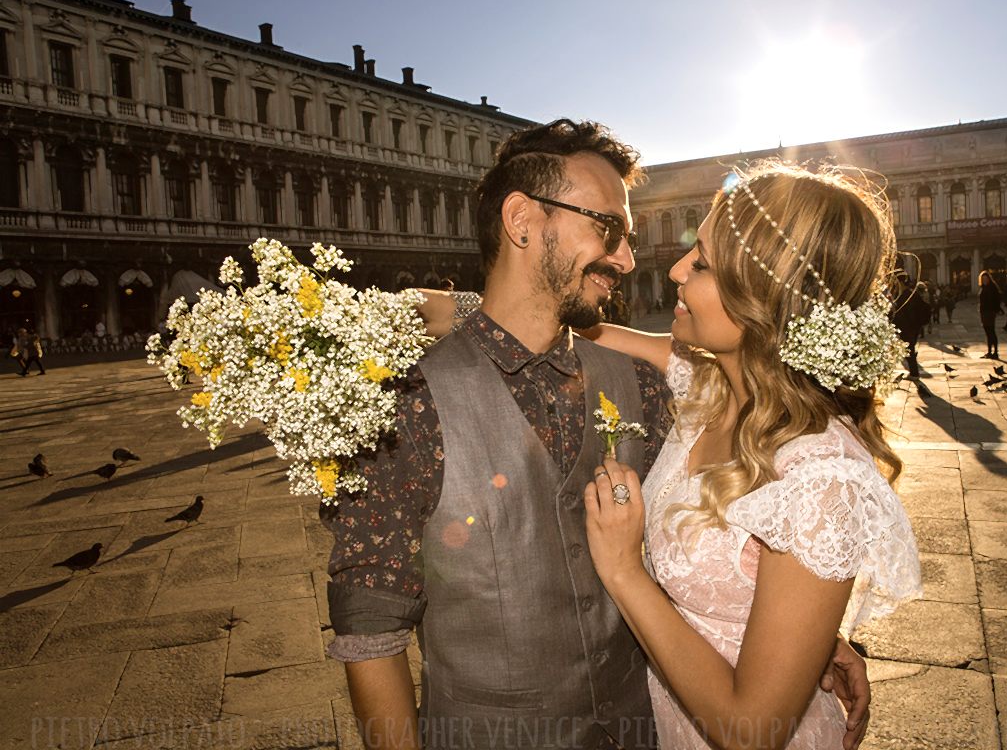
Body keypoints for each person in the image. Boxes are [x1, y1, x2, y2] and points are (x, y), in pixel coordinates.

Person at [321, 121, 870, 750]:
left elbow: (723, 535)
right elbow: (371, 632)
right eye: (607, 228)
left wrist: (797, 632)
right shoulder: (404, 401)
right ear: (522, 219)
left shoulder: (652, 385)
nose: (634, 262)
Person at [582, 163, 919, 749]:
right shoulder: (708, 386)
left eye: (704, 263)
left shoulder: (820, 478)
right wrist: (398, 316)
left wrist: (623, 569)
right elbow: (575, 334)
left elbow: (752, 733)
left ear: (766, 296)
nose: (676, 269)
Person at [890, 272, 930, 379]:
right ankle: (914, 373)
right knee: (909, 350)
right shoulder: (909, 294)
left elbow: (905, 313)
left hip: (908, 327)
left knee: (909, 350)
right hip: (911, 327)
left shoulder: (906, 295)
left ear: (900, 282)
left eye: (896, 281)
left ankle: (914, 373)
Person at [977, 271, 1004, 359]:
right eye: (983, 279)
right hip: (984, 312)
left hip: (989, 312)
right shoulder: (983, 287)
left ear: (989, 278)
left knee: (991, 331)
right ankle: (989, 352)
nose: (985, 280)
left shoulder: (992, 287)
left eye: (986, 278)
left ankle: (995, 352)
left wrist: (995, 310)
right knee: (988, 332)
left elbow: (997, 300)